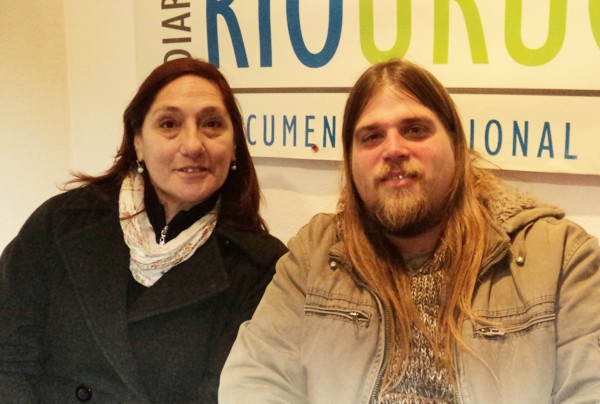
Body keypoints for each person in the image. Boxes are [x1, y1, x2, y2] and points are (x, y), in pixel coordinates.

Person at [219, 59, 600, 403]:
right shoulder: (313, 255)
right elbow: (254, 381)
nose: (393, 149)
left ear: (456, 145)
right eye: (371, 136)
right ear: (350, 161)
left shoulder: (560, 258)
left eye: (415, 130)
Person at [0, 57, 286, 403]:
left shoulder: (263, 267)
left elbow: (225, 395)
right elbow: (9, 357)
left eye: (212, 124)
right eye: (169, 124)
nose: (193, 145)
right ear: (137, 141)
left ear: (235, 144)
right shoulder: (60, 223)